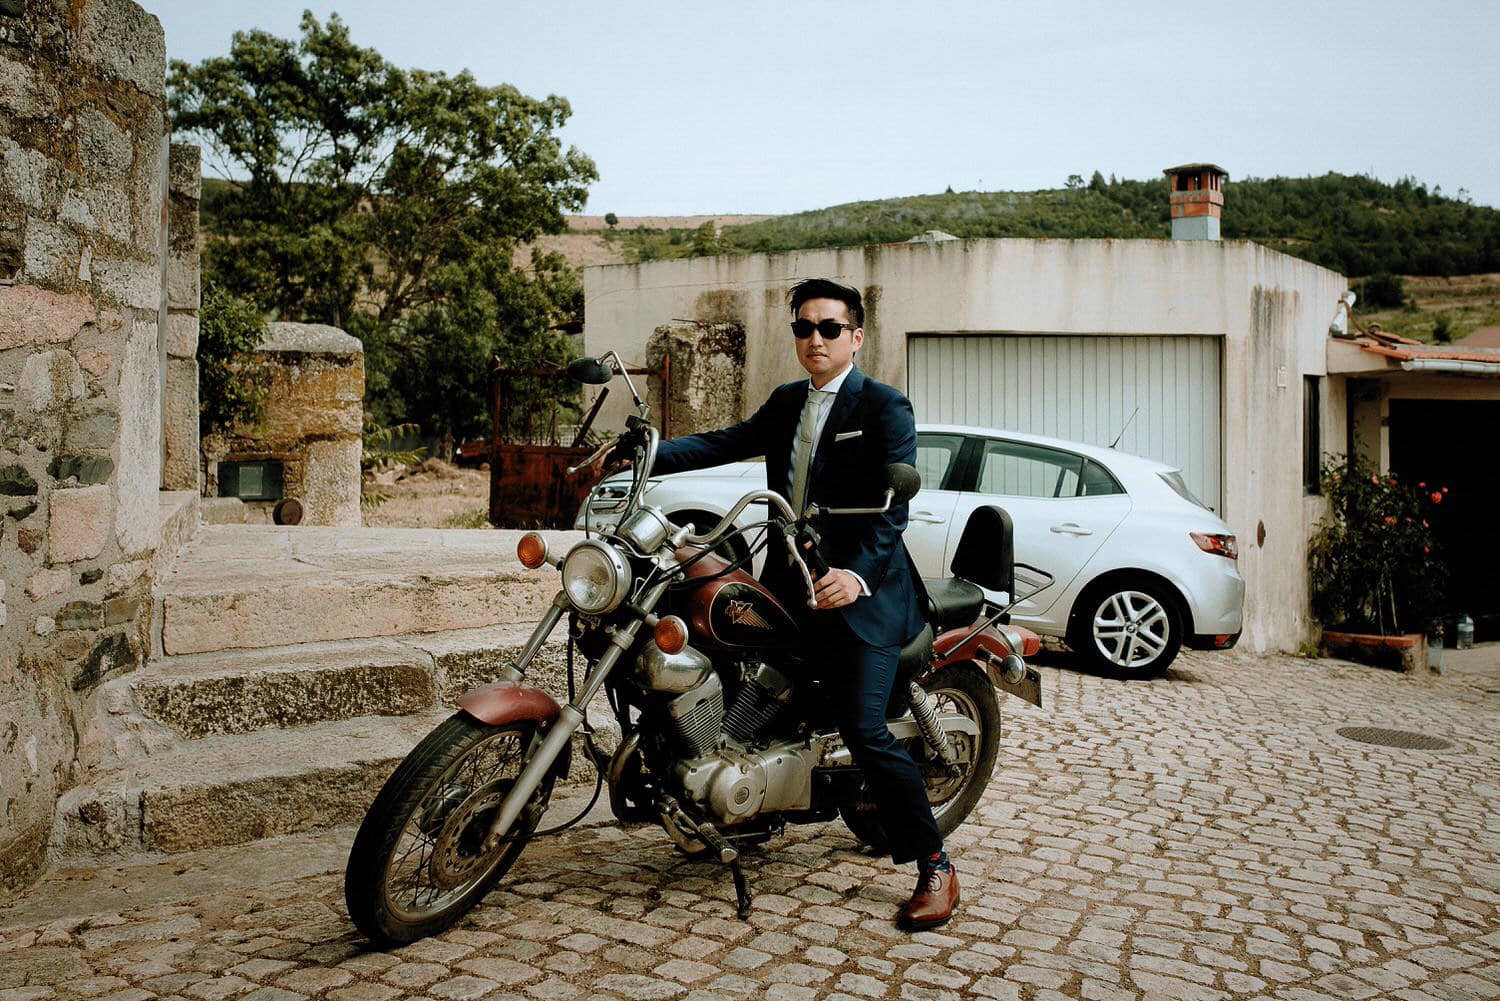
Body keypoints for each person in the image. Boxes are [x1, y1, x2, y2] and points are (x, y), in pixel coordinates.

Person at [602, 278, 957, 929]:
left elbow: (894, 509)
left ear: (855, 336)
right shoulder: (789, 401)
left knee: (866, 728)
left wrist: (858, 575)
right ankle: (737, 796)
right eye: (804, 327)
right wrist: (644, 455)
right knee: (728, 666)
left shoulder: (885, 407)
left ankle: (935, 861)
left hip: (863, 597)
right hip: (792, 581)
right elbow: (723, 441)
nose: (814, 338)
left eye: (829, 327)